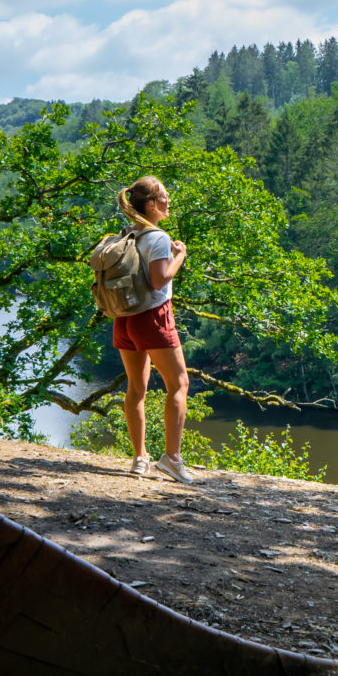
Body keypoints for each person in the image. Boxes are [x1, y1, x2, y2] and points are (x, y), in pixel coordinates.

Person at [112, 175, 195, 482]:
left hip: (124, 318)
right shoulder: (157, 236)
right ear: (151, 204)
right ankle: (172, 459)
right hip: (152, 317)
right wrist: (180, 256)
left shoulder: (128, 233)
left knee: (136, 389)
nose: (168, 201)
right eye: (164, 197)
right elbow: (160, 280)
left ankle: (139, 458)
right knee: (179, 384)